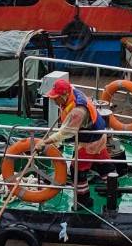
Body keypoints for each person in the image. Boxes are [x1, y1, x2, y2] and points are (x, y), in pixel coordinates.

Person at [43, 75, 113, 204]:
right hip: (99, 134)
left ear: (63, 95)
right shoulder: (73, 91)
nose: (53, 101)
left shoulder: (78, 111)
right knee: (103, 163)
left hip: (90, 141)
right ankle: (113, 189)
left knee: (77, 170)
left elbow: (65, 133)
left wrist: (45, 142)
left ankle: (83, 199)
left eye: (55, 98)